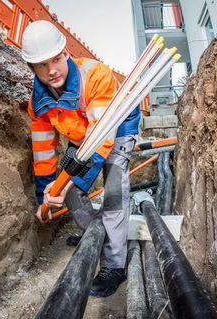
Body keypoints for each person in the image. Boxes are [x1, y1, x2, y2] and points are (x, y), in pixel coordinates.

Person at [21, 20, 140, 297]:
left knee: (113, 191)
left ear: (66, 53)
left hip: (115, 128)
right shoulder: (37, 104)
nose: (51, 71)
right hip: (82, 134)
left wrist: (72, 182)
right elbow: (44, 154)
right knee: (69, 192)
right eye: (41, 65)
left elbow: (101, 143)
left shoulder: (95, 75)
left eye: (56, 60)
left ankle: (114, 265)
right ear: (32, 68)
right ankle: (97, 238)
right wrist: (45, 197)